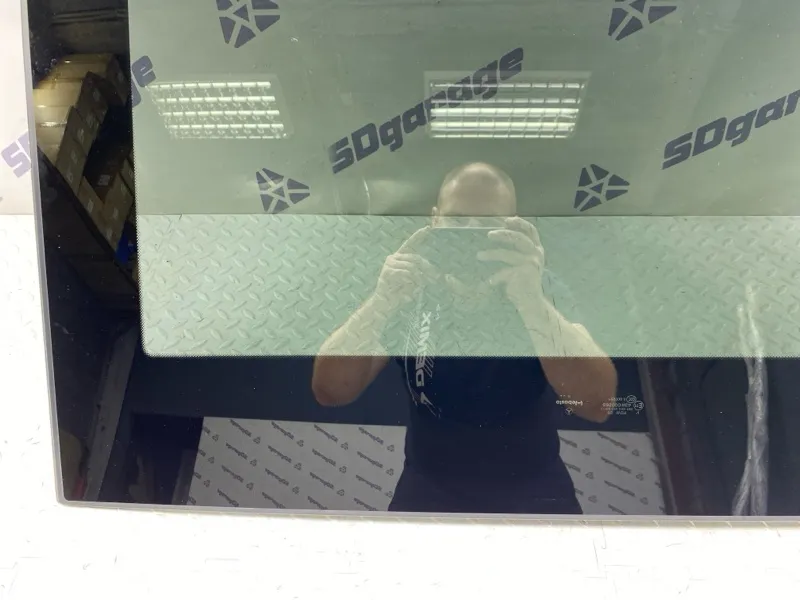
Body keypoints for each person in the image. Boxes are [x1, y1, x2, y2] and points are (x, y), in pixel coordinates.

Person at [312, 162, 617, 514]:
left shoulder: (539, 286)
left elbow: (597, 404)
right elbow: (332, 391)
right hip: (430, 486)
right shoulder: (409, 286)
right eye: (457, 221)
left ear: (512, 226)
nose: (471, 232)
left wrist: (531, 302)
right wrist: (382, 302)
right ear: (434, 221)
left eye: (487, 223)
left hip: (534, 486)